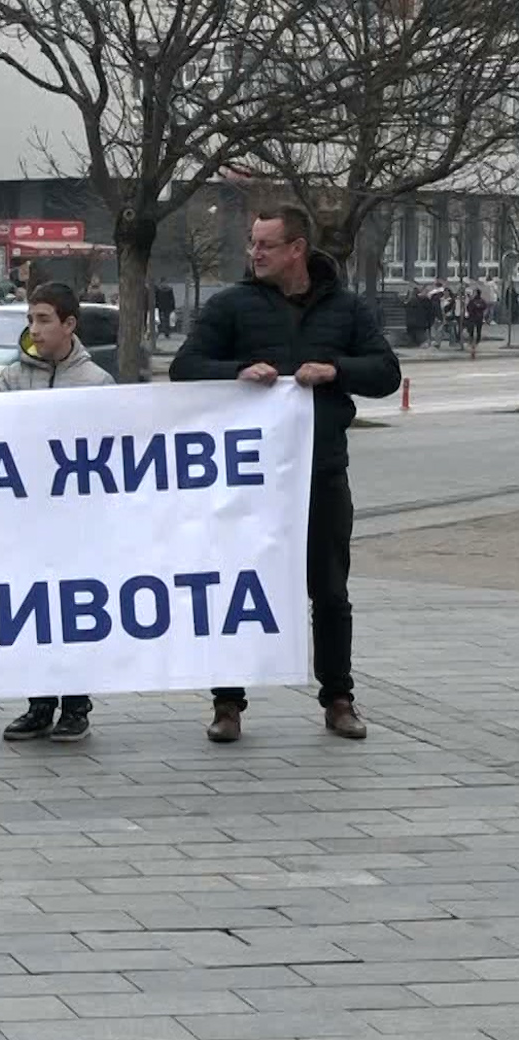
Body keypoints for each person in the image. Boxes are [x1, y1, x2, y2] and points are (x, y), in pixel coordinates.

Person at [170, 205, 401, 743]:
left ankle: (338, 698)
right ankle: (228, 703)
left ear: (297, 249)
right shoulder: (232, 305)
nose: (254, 253)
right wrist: (236, 372)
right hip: (249, 479)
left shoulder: (345, 308)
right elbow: (185, 367)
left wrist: (336, 370)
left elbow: (387, 373)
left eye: (265, 245)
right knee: (238, 587)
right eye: (252, 243)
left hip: (321, 472)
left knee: (331, 592)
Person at [0, 283, 115, 743]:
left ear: (69, 324)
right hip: (28, 517)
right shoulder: (13, 377)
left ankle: (76, 704)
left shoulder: (97, 382)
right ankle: (39, 703)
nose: (34, 329)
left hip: (77, 521)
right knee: (34, 607)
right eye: (30, 319)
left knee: (74, 609)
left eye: (43, 319)